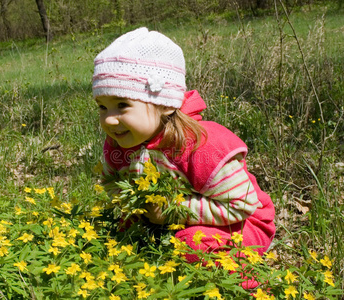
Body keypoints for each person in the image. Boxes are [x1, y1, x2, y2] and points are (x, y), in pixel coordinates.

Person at [92, 27, 276, 285]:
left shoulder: (201, 146)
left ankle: (246, 286)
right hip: (169, 220)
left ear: (166, 104)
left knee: (191, 244)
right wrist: (133, 207)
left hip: (243, 224)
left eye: (122, 104)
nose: (109, 119)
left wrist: (171, 210)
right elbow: (110, 182)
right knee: (112, 233)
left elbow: (242, 205)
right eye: (102, 106)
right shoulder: (119, 141)